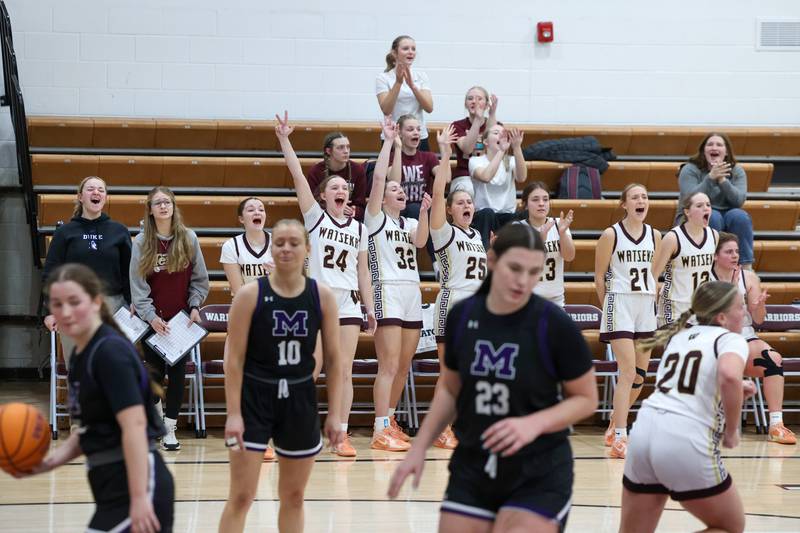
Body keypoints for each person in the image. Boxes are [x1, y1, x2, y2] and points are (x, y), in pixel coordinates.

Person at [388, 224, 597, 533]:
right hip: (475, 461)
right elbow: (450, 388)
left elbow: (586, 399)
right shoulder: (463, 315)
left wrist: (533, 423)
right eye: (515, 268)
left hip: (538, 468)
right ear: (492, 260)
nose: (523, 280)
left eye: (533, 272)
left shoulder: (554, 325)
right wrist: (419, 447)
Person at [19, 263, 174, 533]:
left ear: (96, 302)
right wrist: (46, 463)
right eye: (57, 304)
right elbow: (88, 430)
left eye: (74, 302)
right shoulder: (81, 356)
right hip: (111, 491)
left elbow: (135, 427)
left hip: (137, 489)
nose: (65, 312)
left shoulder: (109, 353)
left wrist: (139, 499)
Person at [218, 219, 346, 533]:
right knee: (242, 496)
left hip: (300, 399)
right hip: (255, 398)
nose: (286, 249)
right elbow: (232, 361)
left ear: (307, 249)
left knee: (293, 496)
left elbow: (334, 359)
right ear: (271, 249)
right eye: (279, 243)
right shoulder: (250, 295)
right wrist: (233, 414)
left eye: (293, 243)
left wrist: (335, 415)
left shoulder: (323, 296)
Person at [276, 111, 376, 458]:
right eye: (333, 186)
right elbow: (298, 176)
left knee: (343, 370)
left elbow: (364, 272)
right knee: (309, 368)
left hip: (347, 303)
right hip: (316, 300)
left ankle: (341, 433)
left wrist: (370, 307)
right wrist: (285, 140)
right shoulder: (315, 219)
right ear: (322, 196)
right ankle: (290, 428)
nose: (340, 189)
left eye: (343, 187)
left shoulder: (359, 229)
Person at [619, 280, 755, 533]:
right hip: (683, 437)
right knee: (730, 527)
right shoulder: (731, 340)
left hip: (644, 430)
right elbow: (728, 375)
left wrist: (732, 394)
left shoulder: (680, 337)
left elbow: (691, 389)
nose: (745, 312)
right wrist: (732, 431)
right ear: (723, 317)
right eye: (740, 307)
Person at [366, 118, 435, 451]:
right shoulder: (375, 218)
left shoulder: (407, 222)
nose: (399, 190)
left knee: (404, 364)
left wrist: (423, 212)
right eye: (395, 189)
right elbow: (381, 177)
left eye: (400, 189)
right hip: (387, 289)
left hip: (411, 291)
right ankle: (380, 428)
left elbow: (422, 243)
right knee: (389, 363)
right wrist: (389, 142)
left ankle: (390, 419)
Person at [130, 186, 210, 452]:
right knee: (154, 375)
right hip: (153, 321)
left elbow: (200, 280)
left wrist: (195, 306)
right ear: (150, 210)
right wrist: (150, 317)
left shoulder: (189, 238)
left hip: (181, 322)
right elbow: (138, 286)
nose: (163, 207)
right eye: (157, 203)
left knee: (177, 376)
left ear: (174, 207)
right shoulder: (141, 242)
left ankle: (170, 428)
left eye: (167, 202)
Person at [594, 183, 660, 459]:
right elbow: (599, 276)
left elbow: (658, 274)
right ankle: (621, 435)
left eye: (644, 196)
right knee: (628, 372)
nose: (640, 200)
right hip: (620, 301)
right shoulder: (611, 234)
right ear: (624, 204)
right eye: (634, 197)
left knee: (641, 376)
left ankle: (614, 422)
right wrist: (608, 305)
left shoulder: (656, 235)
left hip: (646, 304)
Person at [711, 233, 796, 444]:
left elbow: (758, 320)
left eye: (737, 252)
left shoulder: (748, 277)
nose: (735, 256)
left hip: (744, 336)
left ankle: (776, 424)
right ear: (714, 256)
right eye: (728, 252)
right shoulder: (703, 277)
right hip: (714, 338)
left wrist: (758, 306)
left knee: (772, 359)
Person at [429, 124, 483, 449]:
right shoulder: (444, 232)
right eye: (460, 202)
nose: (466, 205)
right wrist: (447, 153)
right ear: (450, 209)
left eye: (469, 202)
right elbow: (438, 193)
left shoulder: (476, 236)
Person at [42, 176, 132, 365]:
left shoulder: (119, 231)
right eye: (90, 189)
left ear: (105, 197)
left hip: (113, 307)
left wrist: (133, 303)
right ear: (80, 196)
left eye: (100, 189)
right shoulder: (64, 232)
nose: (96, 192)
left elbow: (129, 272)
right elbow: (51, 272)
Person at [220, 196, 276, 460]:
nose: (258, 212)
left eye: (262, 209)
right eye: (251, 209)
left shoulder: (278, 244)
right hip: (244, 314)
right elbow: (237, 289)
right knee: (235, 372)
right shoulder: (232, 246)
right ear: (241, 218)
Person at [678, 132, 753, 267]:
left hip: (728, 215)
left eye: (719, 145)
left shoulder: (737, 171)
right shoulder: (690, 169)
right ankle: (710, 265)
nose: (714, 147)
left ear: (726, 152)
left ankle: (745, 267)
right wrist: (710, 178)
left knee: (741, 217)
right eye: (710, 144)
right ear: (703, 150)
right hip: (694, 215)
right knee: (712, 217)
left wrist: (722, 180)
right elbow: (689, 199)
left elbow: (739, 201)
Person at [653, 192, 717, 326]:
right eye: (699, 205)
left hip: (701, 309)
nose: (706, 208)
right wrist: (650, 307)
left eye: (708, 205)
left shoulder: (714, 235)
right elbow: (653, 275)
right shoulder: (673, 238)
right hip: (675, 309)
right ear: (687, 212)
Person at [518, 182, 575, 307]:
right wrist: (540, 240)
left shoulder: (559, 224)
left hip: (556, 300)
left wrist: (563, 233)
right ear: (525, 204)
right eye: (535, 199)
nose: (541, 203)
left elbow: (569, 256)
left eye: (545, 199)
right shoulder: (517, 228)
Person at [376, 35, 433, 151]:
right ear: (394, 53)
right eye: (406, 48)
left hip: (418, 136)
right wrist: (398, 82)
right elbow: (386, 110)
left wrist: (412, 86)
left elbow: (429, 108)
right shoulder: (383, 78)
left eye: (413, 49)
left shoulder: (421, 76)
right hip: (393, 136)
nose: (410, 52)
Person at [306, 132, 368, 221]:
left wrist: (354, 211)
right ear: (328, 151)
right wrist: (336, 209)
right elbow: (311, 204)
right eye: (340, 147)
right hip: (322, 219)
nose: (346, 151)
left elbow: (361, 206)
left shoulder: (357, 170)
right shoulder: (316, 171)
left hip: (348, 219)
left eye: (348, 147)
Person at [450, 86, 497, 187]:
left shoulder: (495, 124)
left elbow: (493, 148)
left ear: (486, 105)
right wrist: (477, 119)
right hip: (465, 175)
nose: (474, 102)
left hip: (487, 172)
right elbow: (467, 149)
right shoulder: (457, 126)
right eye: (470, 98)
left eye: (479, 99)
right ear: (465, 104)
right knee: (468, 190)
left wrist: (492, 114)